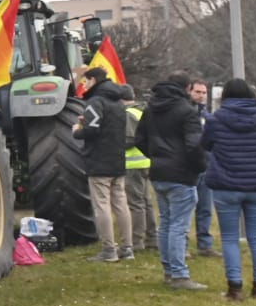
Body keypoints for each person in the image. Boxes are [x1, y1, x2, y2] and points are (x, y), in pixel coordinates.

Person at [134, 71, 209, 290]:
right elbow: (194, 145)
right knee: (178, 226)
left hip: (159, 171)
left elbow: (139, 139)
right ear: (187, 88)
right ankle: (179, 274)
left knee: (166, 223)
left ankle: (169, 270)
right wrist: (200, 167)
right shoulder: (187, 111)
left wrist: (156, 157)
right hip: (181, 174)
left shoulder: (150, 109)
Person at [203, 78, 256, 300]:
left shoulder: (215, 120)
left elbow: (205, 144)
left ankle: (235, 289)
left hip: (227, 185)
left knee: (229, 238)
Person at [74, 65, 134, 261]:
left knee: (102, 206)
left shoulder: (95, 101)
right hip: (117, 159)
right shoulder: (118, 103)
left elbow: (92, 131)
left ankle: (109, 250)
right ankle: (127, 248)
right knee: (121, 204)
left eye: (85, 81)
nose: (83, 84)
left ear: (93, 81)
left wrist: (77, 130)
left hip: (99, 161)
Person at [120, 83, 157, 252]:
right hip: (146, 162)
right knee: (146, 202)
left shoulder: (127, 114)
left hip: (132, 163)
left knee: (135, 204)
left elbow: (128, 140)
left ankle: (136, 242)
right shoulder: (142, 110)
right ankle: (152, 238)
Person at [187, 78, 219, 258]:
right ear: (190, 92)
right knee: (186, 209)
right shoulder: (185, 112)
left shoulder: (207, 115)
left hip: (207, 165)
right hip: (189, 167)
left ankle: (205, 245)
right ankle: (182, 244)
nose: (201, 95)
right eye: (197, 92)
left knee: (205, 208)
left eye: (204, 92)